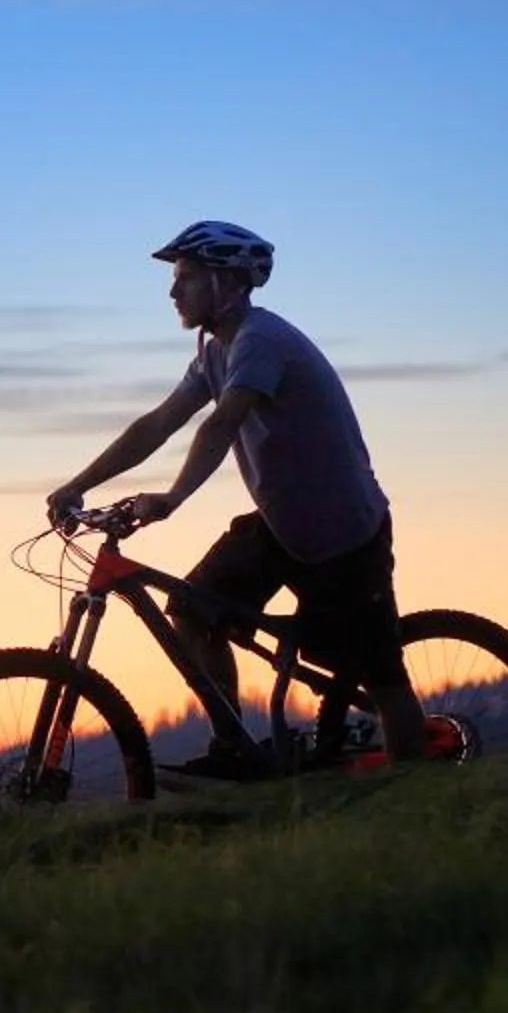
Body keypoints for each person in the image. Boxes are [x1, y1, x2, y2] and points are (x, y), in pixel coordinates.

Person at [44, 221, 423, 771]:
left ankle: (414, 787)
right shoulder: (214, 353)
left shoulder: (260, 342)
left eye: (186, 278)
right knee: (194, 612)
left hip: (345, 531)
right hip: (280, 525)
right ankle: (234, 749)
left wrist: (172, 499)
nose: (173, 292)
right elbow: (157, 425)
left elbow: (222, 424)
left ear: (225, 284)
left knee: (382, 676)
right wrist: (79, 484)